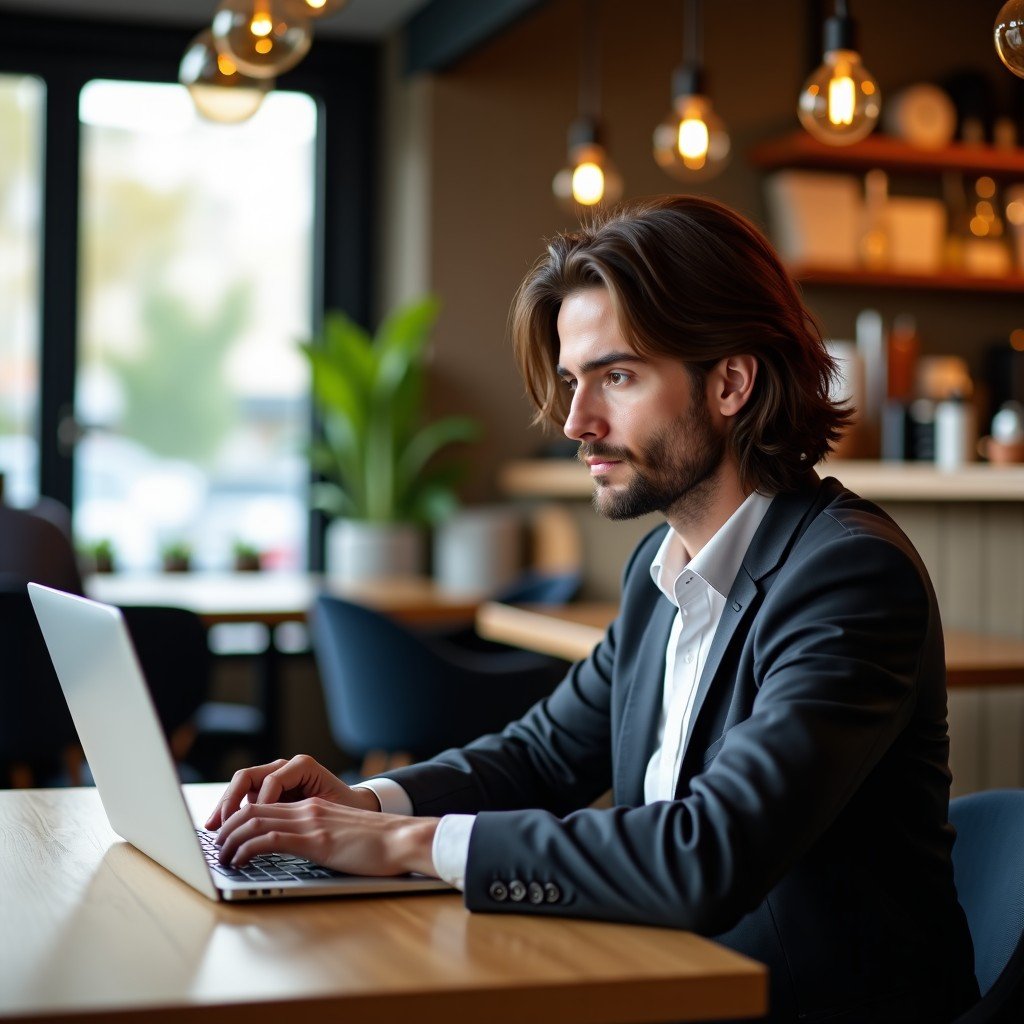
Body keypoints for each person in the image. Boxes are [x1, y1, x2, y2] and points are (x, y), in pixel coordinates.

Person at [208, 196, 978, 1023]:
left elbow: (708, 854)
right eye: (575, 382)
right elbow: (541, 755)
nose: (577, 423)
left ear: (731, 382)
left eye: (617, 376)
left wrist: (406, 845)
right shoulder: (664, 565)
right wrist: (369, 803)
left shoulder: (848, 577)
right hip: (668, 975)